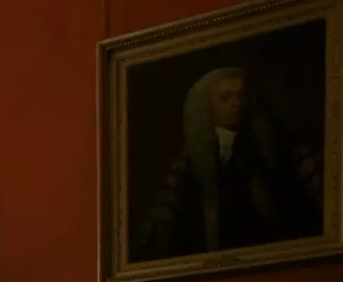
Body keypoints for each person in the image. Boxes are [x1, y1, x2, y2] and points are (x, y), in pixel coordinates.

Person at [136, 65, 323, 260]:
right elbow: (161, 225)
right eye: (225, 98)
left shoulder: (278, 148)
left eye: (242, 96)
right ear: (207, 106)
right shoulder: (185, 163)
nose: (237, 104)